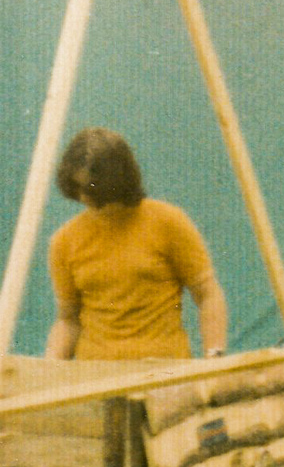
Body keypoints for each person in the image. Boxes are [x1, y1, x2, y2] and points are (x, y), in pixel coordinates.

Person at [44, 128, 226, 361]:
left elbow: (208, 294)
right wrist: (49, 368)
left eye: (92, 189)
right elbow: (68, 320)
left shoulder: (168, 222)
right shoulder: (63, 241)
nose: (84, 197)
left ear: (118, 181)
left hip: (165, 370)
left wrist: (214, 354)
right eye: (77, 188)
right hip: (95, 373)